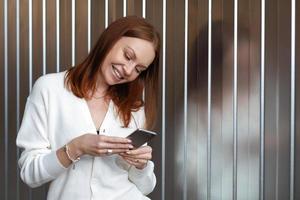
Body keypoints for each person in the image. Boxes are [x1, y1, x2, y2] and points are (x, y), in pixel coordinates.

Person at [16, 16, 160, 200]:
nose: (128, 70)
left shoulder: (134, 107)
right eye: (128, 56)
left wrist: (141, 166)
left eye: (139, 69)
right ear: (110, 40)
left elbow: (145, 187)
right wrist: (76, 148)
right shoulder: (49, 89)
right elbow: (29, 173)